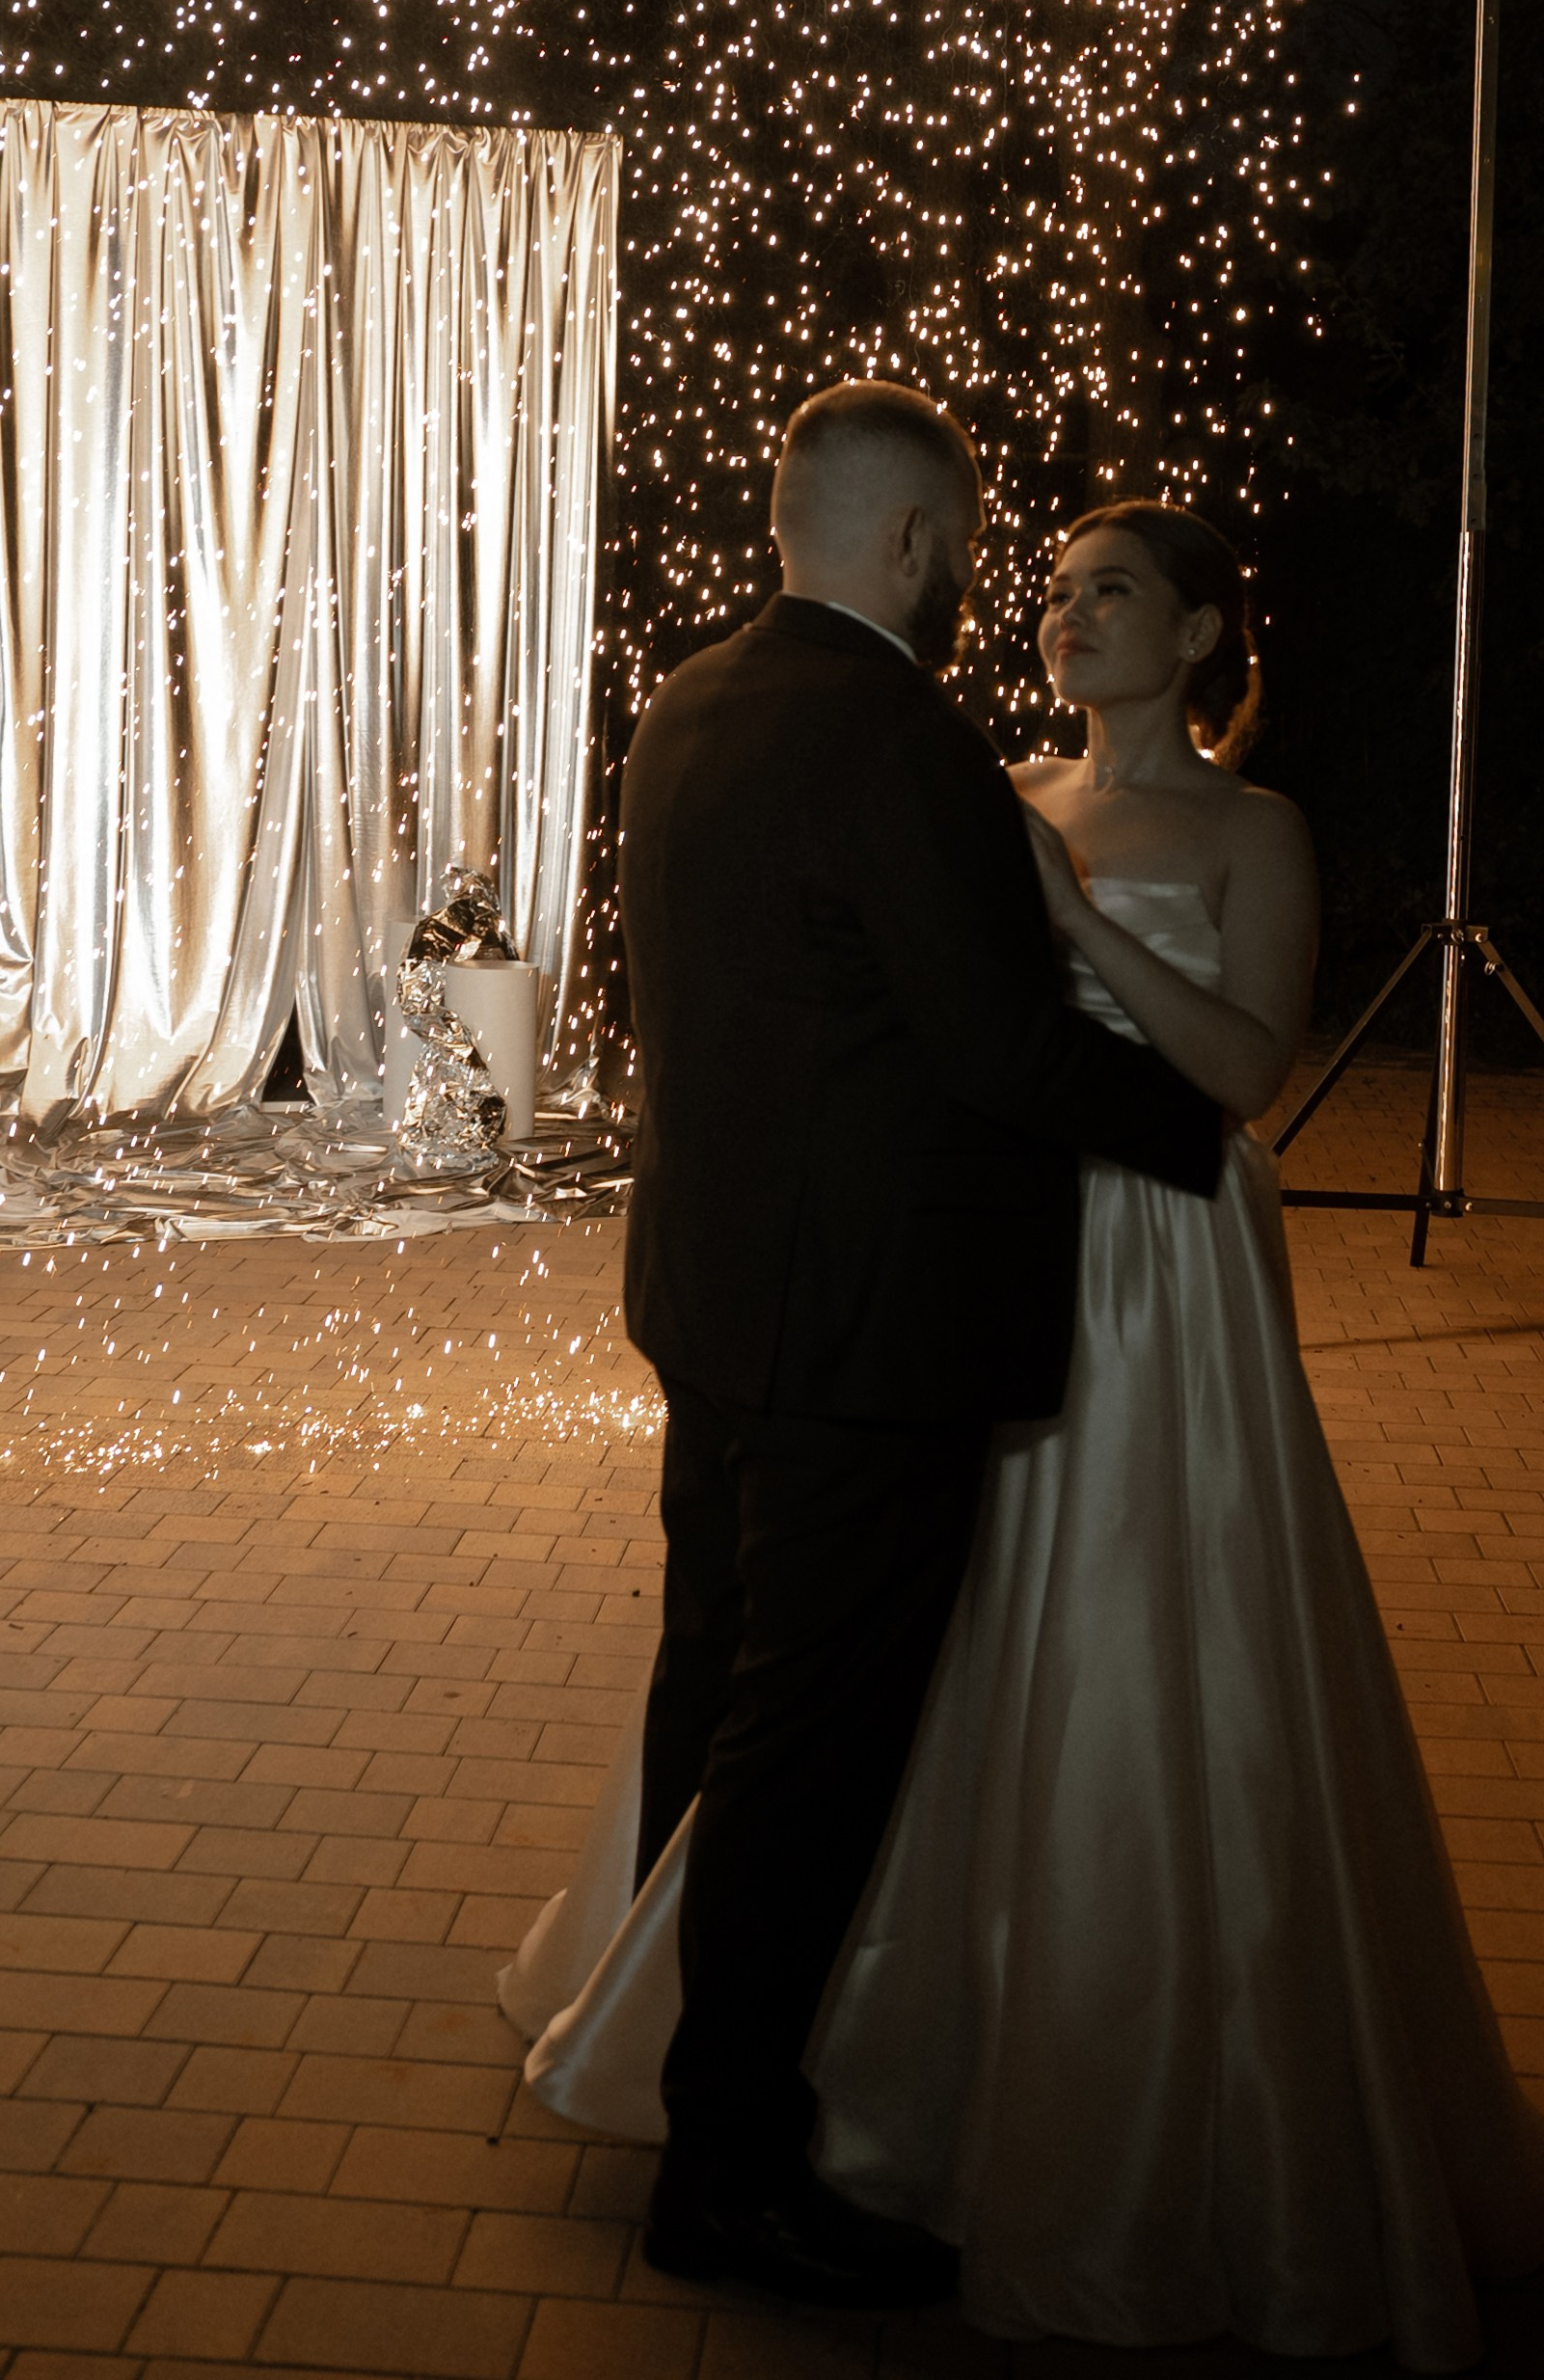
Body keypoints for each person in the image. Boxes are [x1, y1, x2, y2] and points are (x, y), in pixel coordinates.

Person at [503, 494, 1544, 2369]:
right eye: (1059, 588)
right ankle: (898, 2053)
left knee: (1145, 1637)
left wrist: (1072, 919)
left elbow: (1241, 1076)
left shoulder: (1250, 830)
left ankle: (1128, 2082)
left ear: (1202, 634)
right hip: (970, 1250)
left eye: (1115, 593)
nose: (1068, 617)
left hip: (1159, 1257)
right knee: (928, 1658)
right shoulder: (981, 777)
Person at [561, 386, 1225, 2311]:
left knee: (713, 1691)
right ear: (918, 542)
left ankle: (648, 2050)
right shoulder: (904, 740)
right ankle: (729, 2166)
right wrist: (1205, 1137)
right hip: (867, 1334)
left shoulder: (687, 702)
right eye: (971, 545)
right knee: (811, 1751)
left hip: (713, 1300)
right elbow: (998, 1047)